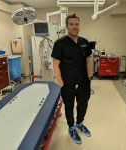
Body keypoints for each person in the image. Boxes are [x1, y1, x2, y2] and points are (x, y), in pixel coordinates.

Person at [51, 13, 92, 144]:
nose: (74, 27)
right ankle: (71, 127)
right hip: (67, 82)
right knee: (69, 106)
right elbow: (55, 64)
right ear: (67, 26)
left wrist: (89, 76)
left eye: (76, 24)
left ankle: (80, 123)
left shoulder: (84, 42)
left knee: (83, 103)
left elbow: (88, 59)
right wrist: (61, 83)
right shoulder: (60, 43)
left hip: (83, 81)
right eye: (71, 24)